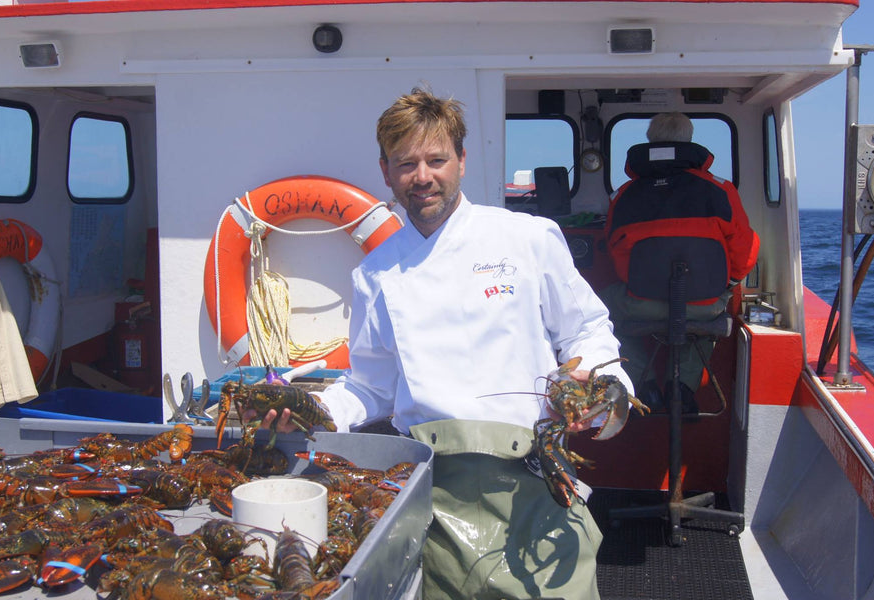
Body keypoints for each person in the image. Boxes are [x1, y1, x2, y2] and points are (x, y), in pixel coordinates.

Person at [258, 86, 632, 600]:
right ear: (386, 172)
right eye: (405, 163)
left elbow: (588, 331)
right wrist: (314, 411)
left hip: (533, 476)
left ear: (461, 160)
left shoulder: (528, 238)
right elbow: (370, 387)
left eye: (436, 159)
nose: (422, 176)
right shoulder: (375, 272)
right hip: (429, 489)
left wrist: (598, 384)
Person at [602, 112, 759, 414]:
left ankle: (642, 383)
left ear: (650, 140)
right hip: (704, 305)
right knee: (702, 312)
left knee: (600, 310)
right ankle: (683, 388)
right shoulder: (721, 190)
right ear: (689, 139)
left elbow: (618, 256)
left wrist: (643, 285)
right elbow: (746, 247)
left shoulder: (624, 195)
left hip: (642, 303)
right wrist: (725, 285)